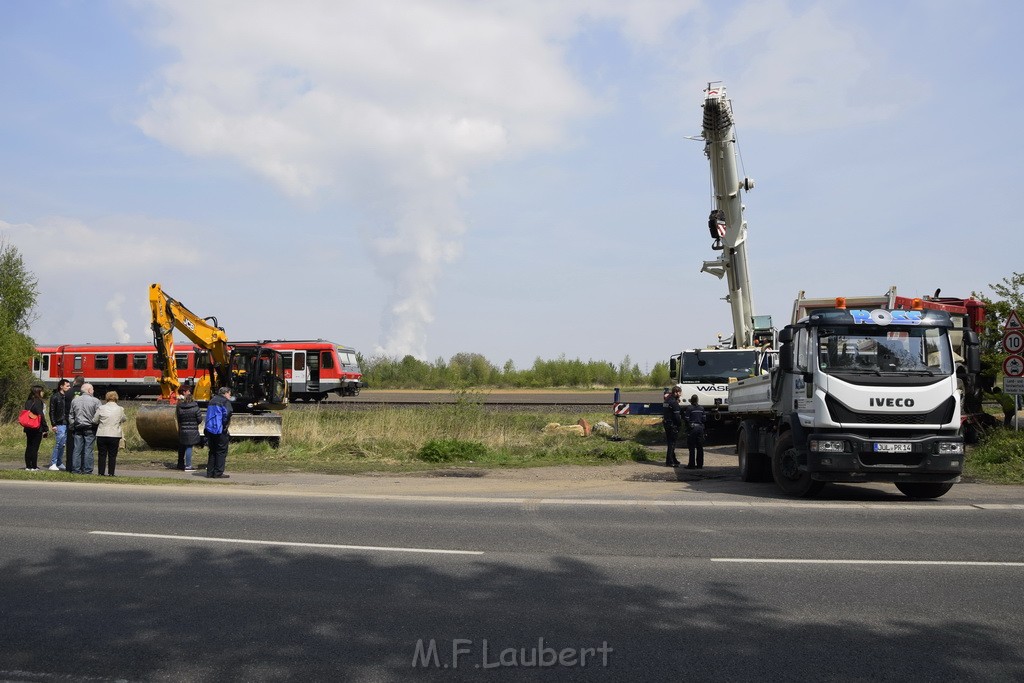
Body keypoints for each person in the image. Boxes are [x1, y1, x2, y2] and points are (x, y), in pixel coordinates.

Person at [92, 391, 127, 476]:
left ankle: (101, 472)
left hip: (102, 434)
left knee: (102, 454)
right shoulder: (120, 409)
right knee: (112, 455)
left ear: (106, 398)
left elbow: (94, 420)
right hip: (114, 435)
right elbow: (124, 419)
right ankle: (111, 473)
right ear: (116, 398)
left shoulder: (101, 408)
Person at [70, 383, 101, 474]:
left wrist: (73, 425)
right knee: (88, 450)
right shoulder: (96, 401)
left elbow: (71, 415)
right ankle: (87, 470)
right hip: (90, 427)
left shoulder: (74, 401)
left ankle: (76, 469)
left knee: (77, 449)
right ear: (89, 390)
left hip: (78, 427)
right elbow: (98, 415)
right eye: (93, 389)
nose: (93, 391)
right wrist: (95, 423)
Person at [205, 386, 233, 479]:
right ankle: (218, 472)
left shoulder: (212, 400)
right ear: (225, 393)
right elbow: (228, 413)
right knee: (221, 451)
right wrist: (224, 424)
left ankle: (210, 472)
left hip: (209, 429)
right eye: (229, 393)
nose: (230, 395)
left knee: (212, 451)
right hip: (220, 429)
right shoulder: (225, 402)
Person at [23, 385, 50, 470]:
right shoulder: (38, 402)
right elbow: (40, 415)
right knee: (35, 447)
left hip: (28, 426)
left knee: (29, 446)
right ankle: (33, 466)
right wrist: (45, 427)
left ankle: (28, 465)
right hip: (37, 426)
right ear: (38, 392)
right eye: (42, 391)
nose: (43, 393)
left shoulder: (28, 401)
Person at [176, 385, 202, 471]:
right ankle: (188, 465)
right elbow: (199, 419)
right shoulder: (195, 407)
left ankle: (180, 463)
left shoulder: (180, 406)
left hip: (183, 428)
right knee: (189, 447)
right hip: (192, 429)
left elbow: (178, 418)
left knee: (182, 446)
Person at [48, 379, 71, 471]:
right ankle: (53, 462)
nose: (69, 388)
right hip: (59, 423)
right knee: (58, 443)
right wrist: (53, 424)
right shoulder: (55, 397)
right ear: (61, 386)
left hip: (67, 423)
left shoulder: (68, 397)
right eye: (67, 386)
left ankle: (59, 462)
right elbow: (52, 411)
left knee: (63, 444)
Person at [65, 375, 85, 469]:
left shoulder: (68, 392)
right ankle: (80, 466)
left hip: (70, 422)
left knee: (70, 445)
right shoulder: (84, 393)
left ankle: (69, 466)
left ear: (75, 382)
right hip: (82, 422)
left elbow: (65, 407)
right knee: (81, 446)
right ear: (83, 383)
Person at [683, 394, 707, 469]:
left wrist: (688, 426)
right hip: (700, 428)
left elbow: (686, 419)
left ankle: (691, 465)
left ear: (691, 401)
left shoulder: (689, 408)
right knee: (700, 447)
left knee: (692, 447)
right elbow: (704, 420)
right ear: (697, 400)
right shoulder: (701, 408)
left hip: (692, 429)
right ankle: (700, 465)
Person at [662, 386, 683, 467]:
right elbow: (677, 416)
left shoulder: (667, 400)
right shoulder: (674, 402)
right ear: (676, 392)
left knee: (670, 442)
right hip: (672, 424)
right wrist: (679, 424)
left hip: (666, 422)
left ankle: (673, 459)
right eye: (679, 393)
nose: (680, 394)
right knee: (672, 443)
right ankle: (669, 461)